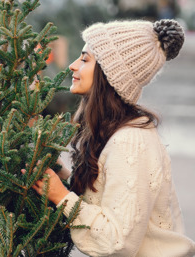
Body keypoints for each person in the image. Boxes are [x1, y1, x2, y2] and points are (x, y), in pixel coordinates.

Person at [26, 19, 195, 256]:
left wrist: (61, 197)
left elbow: (118, 242)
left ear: (109, 74)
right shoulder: (113, 131)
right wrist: (58, 171)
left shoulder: (130, 143)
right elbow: (103, 197)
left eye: (85, 59)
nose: (73, 66)